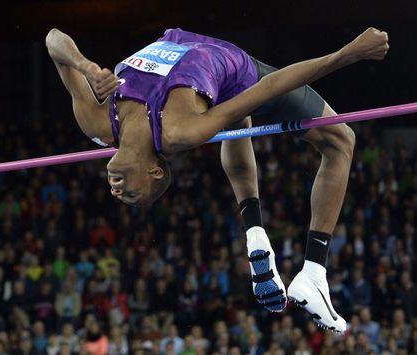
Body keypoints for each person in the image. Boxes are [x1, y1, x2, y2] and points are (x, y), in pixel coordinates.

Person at [45, 27, 389, 332]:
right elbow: (271, 86)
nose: (117, 192)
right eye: (132, 195)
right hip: (230, 67)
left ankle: (256, 233)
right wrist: (347, 54)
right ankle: (313, 272)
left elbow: (54, 40)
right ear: (154, 171)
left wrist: (85, 66)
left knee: (233, 123)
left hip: (185, 50)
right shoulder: (180, 131)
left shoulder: (99, 122)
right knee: (340, 141)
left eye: (122, 196)